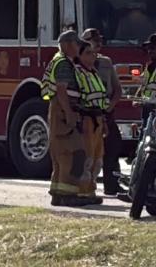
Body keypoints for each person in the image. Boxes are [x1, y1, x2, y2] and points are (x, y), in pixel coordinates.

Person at [42, 30, 97, 207]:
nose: (78, 47)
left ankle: (58, 194)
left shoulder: (59, 60)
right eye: (76, 44)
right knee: (74, 154)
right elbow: (61, 90)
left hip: (58, 112)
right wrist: (69, 113)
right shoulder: (64, 64)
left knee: (60, 156)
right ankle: (68, 195)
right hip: (63, 112)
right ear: (66, 44)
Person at [80, 28, 124, 195]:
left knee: (113, 146)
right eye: (94, 39)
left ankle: (112, 185)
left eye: (99, 39)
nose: (99, 43)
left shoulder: (106, 62)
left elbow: (117, 89)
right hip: (88, 114)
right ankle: (84, 187)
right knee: (88, 151)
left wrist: (110, 106)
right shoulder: (78, 64)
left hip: (106, 113)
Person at [75, 42, 112, 199]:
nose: (93, 55)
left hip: (97, 118)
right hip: (86, 119)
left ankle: (91, 190)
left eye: (93, 53)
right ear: (80, 55)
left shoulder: (94, 73)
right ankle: (81, 191)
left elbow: (101, 98)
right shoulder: (78, 73)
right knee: (87, 158)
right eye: (88, 53)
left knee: (98, 158)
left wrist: (103, 120)